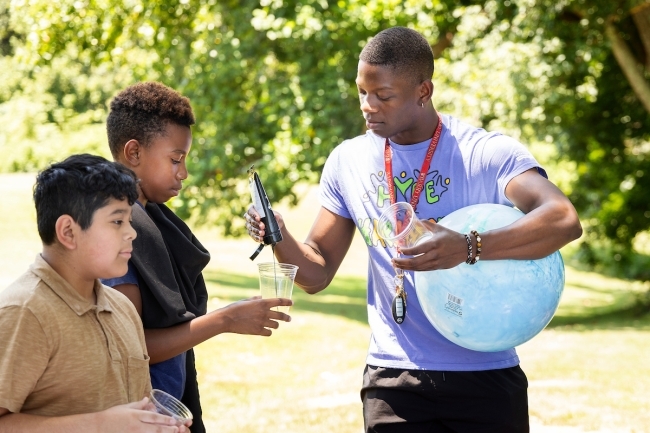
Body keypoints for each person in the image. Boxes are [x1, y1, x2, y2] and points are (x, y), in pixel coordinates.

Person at [245, 27, 582, 432]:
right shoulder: (347, 161)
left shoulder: (485, 153)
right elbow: (315, 273)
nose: (368, 107)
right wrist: (279, 235)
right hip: (392, 379)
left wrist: (468, 246)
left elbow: (563, 218)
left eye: (384, 96)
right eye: (362, 93)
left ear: (424, 91)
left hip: (486, 377)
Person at [103, 81, 292, 433]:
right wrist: (224, 320)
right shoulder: (116, 232)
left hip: (165, 412)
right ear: (133, 152)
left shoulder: (153, 220)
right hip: (134, 415)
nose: (183, 173)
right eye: (175, 159)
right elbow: (133, 347)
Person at [0, 154, 188, 432]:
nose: (131, 233)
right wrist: (99, 425)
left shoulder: (122, 308)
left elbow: (134, 409)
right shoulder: (24, 313)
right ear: (68, 231)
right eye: (117, 222)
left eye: (130, 220)